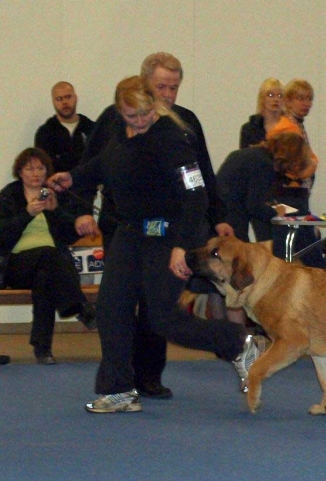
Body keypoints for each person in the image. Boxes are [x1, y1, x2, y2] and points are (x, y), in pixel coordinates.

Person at [48, 76, 256, 413]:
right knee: (111, 310)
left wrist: (180, 246)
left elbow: (197, 195)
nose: (140, 121)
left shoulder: (174, 140)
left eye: (145, 114)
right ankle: (118, 391)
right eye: (132, 116)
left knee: (162, 320)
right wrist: (74, 177)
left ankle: (237, 343)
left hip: (168, 236)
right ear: (120, 111)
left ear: (153, 106)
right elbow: (105, 164)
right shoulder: (119, 131)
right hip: (130, 234)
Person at [0, 148, 96, 365]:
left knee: (45, 277)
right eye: (29, 168)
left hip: (51, 265)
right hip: (14, 265)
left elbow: (69, 236)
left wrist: (54, 211)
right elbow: (2, 236)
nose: (35, 173)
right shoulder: (9, 195)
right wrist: (27, 213)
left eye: (40, 168)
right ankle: (80, 307)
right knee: (48, 255)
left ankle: (42, 349)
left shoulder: (55, 195)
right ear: (20, 172)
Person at [266, 79, 323, 267]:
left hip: (297, 196)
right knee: (308, 256)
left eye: (309, 99)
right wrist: (312, 165)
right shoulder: (286, 129)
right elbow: (290, 168)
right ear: (288, 101)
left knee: (304, 250)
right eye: (300, 98)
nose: (306, 103)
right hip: (289, 198)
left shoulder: (296, 126)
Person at [218, 132, 312, 241]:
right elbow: (255, 205)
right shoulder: (264, 164)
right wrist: (278, 213)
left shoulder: (251, 155)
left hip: (219, 211)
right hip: (229, 216)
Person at [34, 82, 96, 173]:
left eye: (68, 97)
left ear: (75, 98)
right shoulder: (45, 133)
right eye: (59, 99)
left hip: (89, 185)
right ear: (53, 102)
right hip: (57, 186)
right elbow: (43, 168)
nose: (64, 102)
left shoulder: (92, 129)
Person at [239, 78, 285, 148]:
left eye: (280, 96)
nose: (276, 99)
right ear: (262, 98)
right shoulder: (249, 129)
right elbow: (243, 157)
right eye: (270, 95)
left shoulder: (290, 127)